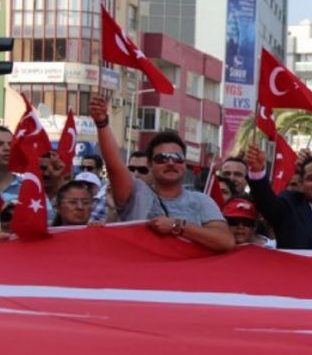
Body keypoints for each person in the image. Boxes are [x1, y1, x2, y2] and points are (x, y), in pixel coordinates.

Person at [89, 96, 234, 253]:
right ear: (150, 165)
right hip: (141, 274)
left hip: (186, 275)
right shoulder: (135, 194)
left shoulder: (201, 201)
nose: (170, 163)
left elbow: (225, 241)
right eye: (162, 158)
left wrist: (176, 225)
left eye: (177, 158)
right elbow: (114, 164)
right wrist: (102, 124)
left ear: (185, 165)